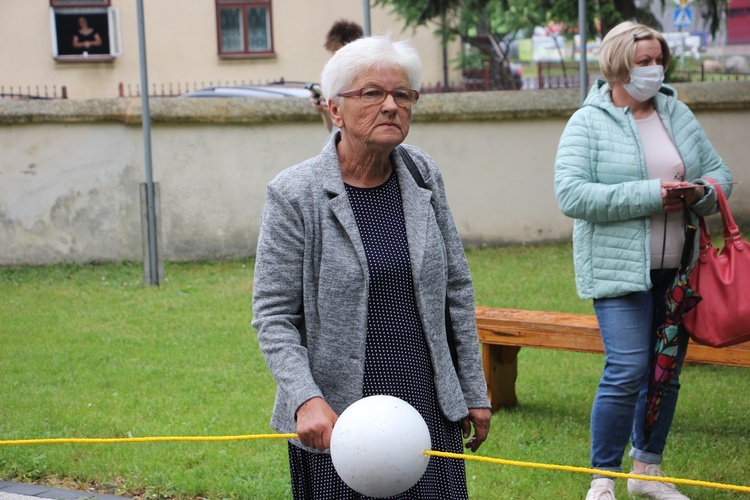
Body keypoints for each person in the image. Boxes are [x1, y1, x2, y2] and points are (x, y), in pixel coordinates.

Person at [253, 35, 491, 499]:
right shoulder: (294, 193)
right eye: (371, 93)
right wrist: (306, 398)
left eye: (402, 94)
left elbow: (456, 290)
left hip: (426, 403)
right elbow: (274, 315)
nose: (390, 106)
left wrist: (473, 390)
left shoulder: (424, 174)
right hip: (337, 416)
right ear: (335, 110)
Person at [554, 21, 733, 500]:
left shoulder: (676, 113)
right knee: (628, 368)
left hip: (678, 271)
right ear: (617, 65)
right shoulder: (587, 122)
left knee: (665, 371)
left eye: (659, 60)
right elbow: (571, 195)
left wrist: (699, 193)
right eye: (644, 61)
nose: (655, 69)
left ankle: (647, 474)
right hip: (618, 272)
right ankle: (603, 479)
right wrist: (651, 195)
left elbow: (721, 176)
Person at [310, 20, 364, 133]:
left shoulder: (365, 78)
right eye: (334, 54)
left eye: (338, 53)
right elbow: (335, 131)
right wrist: (325, 111)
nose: (335, 59)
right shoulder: (340, 80)